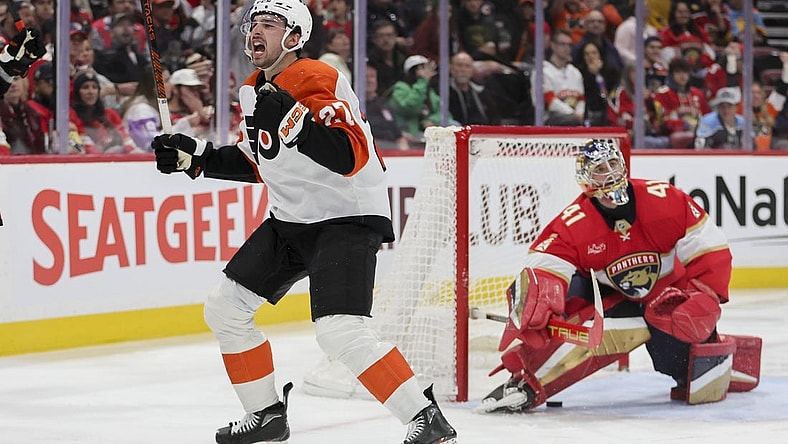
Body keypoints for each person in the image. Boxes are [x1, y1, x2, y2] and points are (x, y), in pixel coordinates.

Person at [150, 1, 458, 443]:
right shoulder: (253, 89)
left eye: (269, 24)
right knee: (226, 309)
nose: (256, 32)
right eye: (253, 24)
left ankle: (426, 418)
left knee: (339, 330)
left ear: (294, 38)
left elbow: (351, 155)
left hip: (346, 218)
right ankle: (267, 415)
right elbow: (260, 160)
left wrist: (296, 122)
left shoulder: (318, 77)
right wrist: (195, 157)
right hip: (291, 219)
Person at [476, 139, 760, 414]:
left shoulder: (664, 199)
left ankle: (709, 356)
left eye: (613, 163)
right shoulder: (575, 222)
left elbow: (709, 246)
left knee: (683, 361)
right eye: (600, 168)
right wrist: (538, 297)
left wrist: (705, 295)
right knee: (571, 312)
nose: (610, 172)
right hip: (610, 296)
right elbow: (546, 263)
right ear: (586, 178)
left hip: (671, 298)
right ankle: (526, 383)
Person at [69, 70, 141, 154]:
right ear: (77, 92)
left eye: (94, 87)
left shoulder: (110, 114)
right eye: (85, 87)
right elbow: (81, 147)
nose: (91, 92)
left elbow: (127, 141)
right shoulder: (72, 115)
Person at [534, 29, 585, 126]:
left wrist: (580, 114)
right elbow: (549, 102)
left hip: (574, 119)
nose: (566, 48)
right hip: (550, 120)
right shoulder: (542, 70)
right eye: (563, 44)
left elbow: (581, 100)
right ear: (553, 45)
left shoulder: (575, 72)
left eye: (569, 45)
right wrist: (573, 114)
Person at [389, 54, 445, 140]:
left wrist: (432, 120)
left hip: (428, 133)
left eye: (424, 68)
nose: (424, 72)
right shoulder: (400, 88)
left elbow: (444, 113)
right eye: (418, 69)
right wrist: (422, 82)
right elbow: (410, 108)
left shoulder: (429, 92)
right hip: (408, 134)